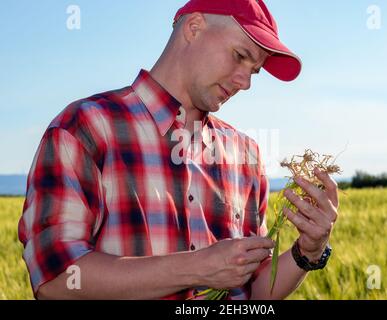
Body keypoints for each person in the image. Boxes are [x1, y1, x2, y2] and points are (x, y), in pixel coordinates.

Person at [18, 0, 339, 300]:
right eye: (240, 56)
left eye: (254, 71)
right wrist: (197, 267)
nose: (246, 83)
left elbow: (252, 292)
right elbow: (56, 278)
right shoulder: (86, 127)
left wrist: (307, 252)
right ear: (194, 27)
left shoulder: (246, 155)